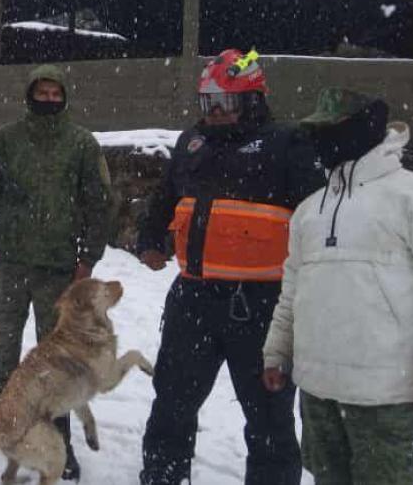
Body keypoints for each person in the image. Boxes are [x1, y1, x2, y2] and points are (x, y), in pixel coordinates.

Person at [262, 87, 413, 485]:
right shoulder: (309, 210)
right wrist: (277, 351)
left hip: (383, 394)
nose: (319, 143)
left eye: (327, 131)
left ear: (358, 131)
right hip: (317, 391)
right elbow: (294, 288)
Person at [136, 49, 323, 485]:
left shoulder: (288, 144)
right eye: (208, 103)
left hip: (260, 306)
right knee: (172, 402)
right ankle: (162, 476)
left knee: (269, 415)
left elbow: (316, 216)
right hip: (194, 298)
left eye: (225, 102)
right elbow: (164, 200)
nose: (215, 113)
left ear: (253, 99)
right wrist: (150, 240)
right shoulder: (192, 143)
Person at [0, 64, 114, 481]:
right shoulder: (6, 140)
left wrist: (88, 258)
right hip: (9, 264)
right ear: (30, 94)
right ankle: (2, 429)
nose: (48, 99)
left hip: (61, 271)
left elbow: (98, 203)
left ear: (64, 97)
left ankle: (60, 443)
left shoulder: (82, 144)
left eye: (55, 93)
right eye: (42, 92)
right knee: (3, 352)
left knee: (59, 363)